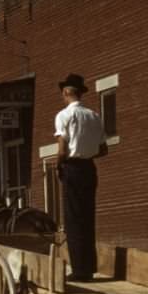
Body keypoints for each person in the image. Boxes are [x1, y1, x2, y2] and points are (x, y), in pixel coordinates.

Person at [53, 73, 106, 282]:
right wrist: (87, 152)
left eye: (62, 94)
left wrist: (59, 166)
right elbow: (104, 150)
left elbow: (61, 149)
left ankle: (79, 270)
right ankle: (89, 268)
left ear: (67, 92)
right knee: (87, 217)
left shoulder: (63, 116)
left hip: (72, 168)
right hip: (89, 168)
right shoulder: (94, 115)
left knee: (73, 219)